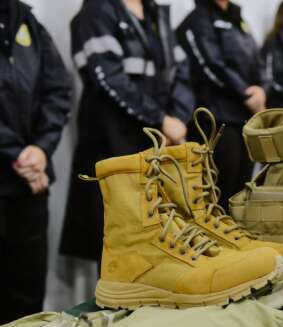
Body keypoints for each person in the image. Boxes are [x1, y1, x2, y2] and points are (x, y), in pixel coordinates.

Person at [61, 0, 194, 266]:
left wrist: (176, 119)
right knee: (119, 246)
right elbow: (110, 79)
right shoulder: (96, 12)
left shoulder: (157, 13)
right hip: (114, 144)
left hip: (159, 144)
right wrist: (160, 120)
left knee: (160, 240)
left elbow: (181, 72)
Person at [0, 0, 71, 324]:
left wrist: (41, 149)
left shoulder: (26, 20)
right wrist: (17, 153)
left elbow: (58, 89)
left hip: (30, 184)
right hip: (21, 170)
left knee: (27, 298)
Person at [177, 0, 265, 209]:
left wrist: (261, 90)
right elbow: (209, 65)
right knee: (217, 194)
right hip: (216, 121)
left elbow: (258, 60)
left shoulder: (238, 19)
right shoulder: (196, 21)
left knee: (241, 193)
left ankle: (236, 231)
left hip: (245, 119)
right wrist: (245, 93)